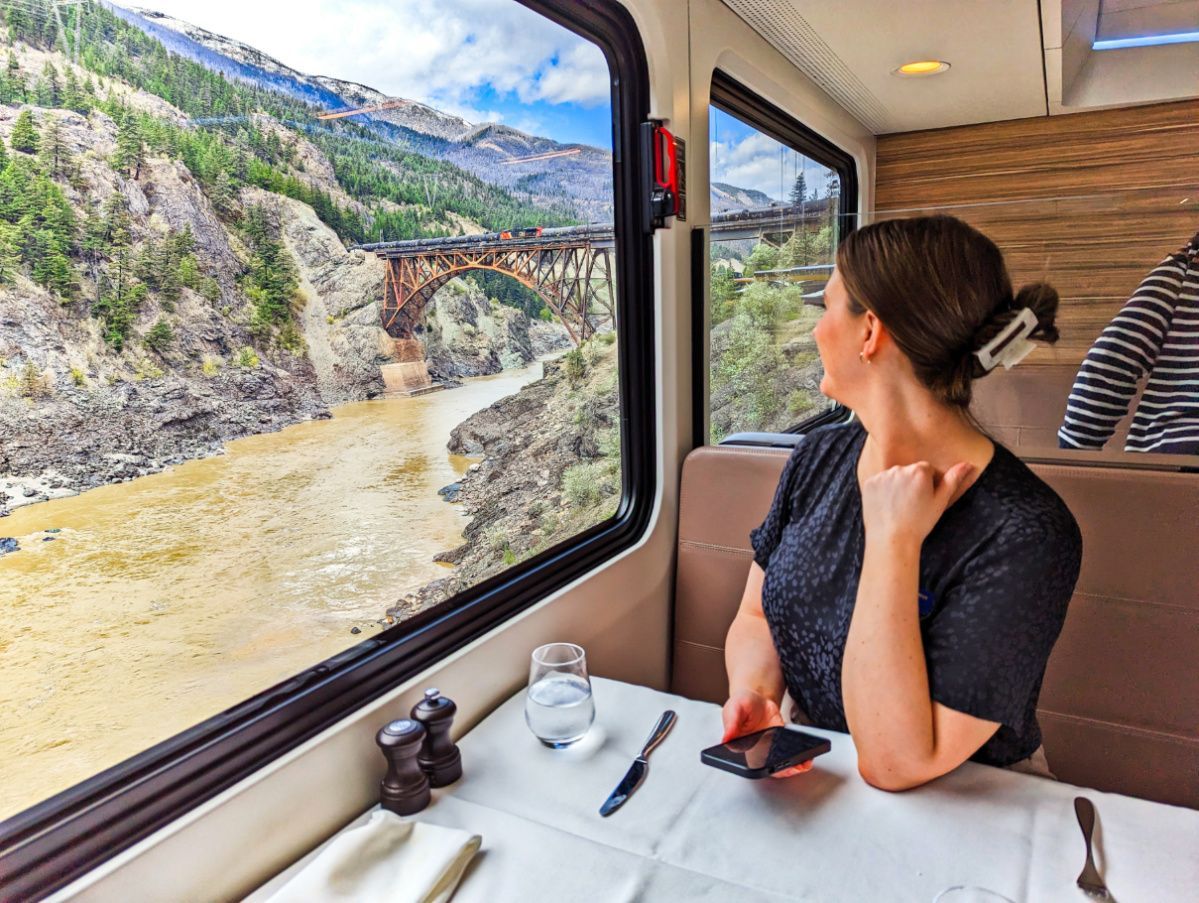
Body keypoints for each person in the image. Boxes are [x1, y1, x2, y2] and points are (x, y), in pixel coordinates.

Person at [723, 215, 1083, 791]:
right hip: (824, 768)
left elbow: (897, 762)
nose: (817, 330)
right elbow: (756, 615)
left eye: (826, 306)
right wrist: (757, 690)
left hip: (973, 802)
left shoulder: (1027, 531)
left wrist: (895, 539)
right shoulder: (816, 458)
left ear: (870, 333)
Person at [1057, 231, 1199, 455]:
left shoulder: (1184, 274)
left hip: (1176, 458)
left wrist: (1074, 450)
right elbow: (1110, 363)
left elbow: (1109, 364)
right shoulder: (1182, 276)